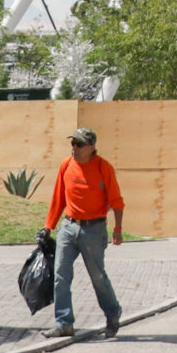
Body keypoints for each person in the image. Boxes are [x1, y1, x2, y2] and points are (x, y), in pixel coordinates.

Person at [44, 126, 126, 338]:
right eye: (73, 143)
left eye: (79, 144)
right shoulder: (66, 165)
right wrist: (49, 226)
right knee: (61, 275)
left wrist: (117, 229)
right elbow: (58, 198)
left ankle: (113, 312)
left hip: (94, 229)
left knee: (97, 277)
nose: (74, 148)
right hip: (69, 227)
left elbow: (117, 201)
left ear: (91, 147)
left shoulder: (103, 168)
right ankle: (64, 323)